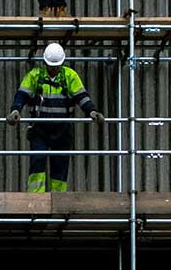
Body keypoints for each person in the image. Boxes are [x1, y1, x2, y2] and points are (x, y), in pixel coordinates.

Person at [7, 42, 104, 192]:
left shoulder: (69, 76)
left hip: (62, 129)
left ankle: (59, 201)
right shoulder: (35, 75)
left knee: (60, 164)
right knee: (37, 162)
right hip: (39, 129)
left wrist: (92, 111)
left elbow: (81, 97)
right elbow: (22, 95)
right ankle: (36, 201)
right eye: (51, 66)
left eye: (56, 66)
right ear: (45, 62)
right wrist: (15, 111)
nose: (53, 69)